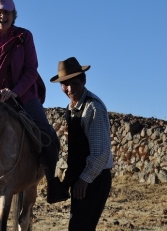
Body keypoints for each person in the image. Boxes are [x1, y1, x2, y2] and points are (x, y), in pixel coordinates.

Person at [0, 0, 69, 204]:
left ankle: (53, 185)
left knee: (48, 136)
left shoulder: (25, 36)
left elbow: (31, 69)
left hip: (24, 98)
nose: (3, 16)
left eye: (7, 12)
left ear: (13, 15)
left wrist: (15, 92)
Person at [50, 57, 114, 230]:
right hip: (83, 178)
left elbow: (101, 153)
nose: (69, 89)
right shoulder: (72, 108)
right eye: (65, 84)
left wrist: (84, 180)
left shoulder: (93, 108)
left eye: (74, 83)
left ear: (84, 80)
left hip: (94, 179)